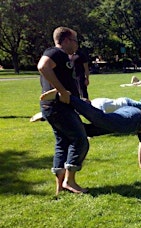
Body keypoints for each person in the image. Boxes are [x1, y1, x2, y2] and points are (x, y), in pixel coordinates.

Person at [41, 90, 141, 175]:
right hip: (135, 119)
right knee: (101, 119)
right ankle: (68, 98)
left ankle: (55, 114)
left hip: (133, 117)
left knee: (89, 131)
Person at [37, 26, 89, 195]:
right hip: (58, 107)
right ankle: (70, 181)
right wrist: (61, 91)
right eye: (75, 41)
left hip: (53, 107)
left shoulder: (62, 56)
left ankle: (60, 185)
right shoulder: (55, 53)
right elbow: (42, 66)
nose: (77, 45)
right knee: (80, 140)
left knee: (63, 142)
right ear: (66, 40)